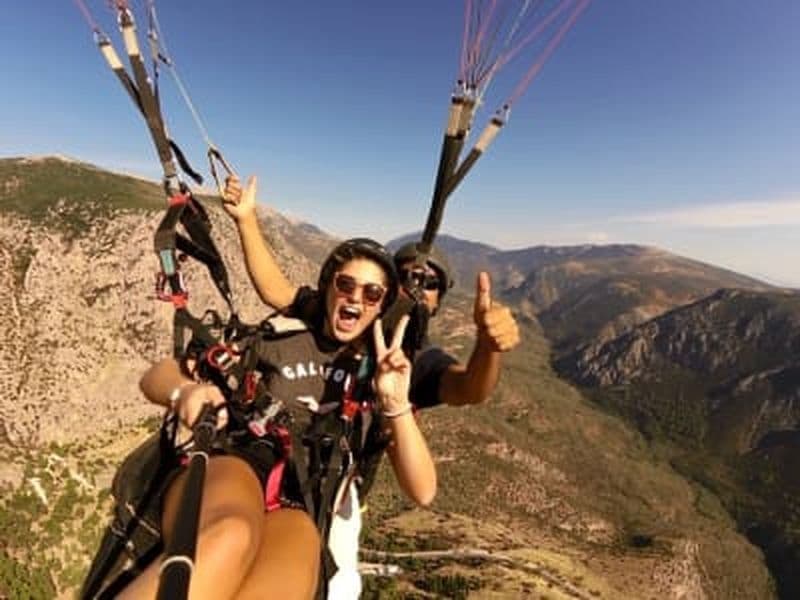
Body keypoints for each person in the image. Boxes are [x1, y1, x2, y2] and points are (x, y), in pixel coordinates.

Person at [222, 175, 519, 598]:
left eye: (430, 282)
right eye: (406, 279)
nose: (417, 288)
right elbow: (280, 293)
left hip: (339, 491)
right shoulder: (346, 310)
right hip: (277, 465)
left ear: (439, 298)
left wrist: (489, 349)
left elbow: (469, 388)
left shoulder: (414, 360)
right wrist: (246, 221)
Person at [117, 238, 436, 600]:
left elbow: (423, 490)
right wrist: (184, 393)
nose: (355, 299)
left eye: (372, 293)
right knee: (228, 536)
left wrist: (394, 402)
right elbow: (160, 376)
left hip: (303, 502)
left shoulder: (378, 379)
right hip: (243, 461)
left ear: (381, 307)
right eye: (345, 285)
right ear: (328, 287)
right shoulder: (281, 339)